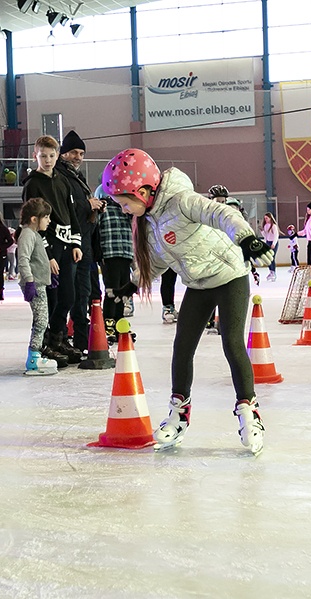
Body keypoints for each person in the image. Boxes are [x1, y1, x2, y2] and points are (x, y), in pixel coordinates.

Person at [103, 148, 274, 455]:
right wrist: (130, 284)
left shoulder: (181, 201)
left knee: (232, 343)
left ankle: (250, 413)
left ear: (142, 192)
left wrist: (246, 238)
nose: (124, 209)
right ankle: (179, 414)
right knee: (182, 346)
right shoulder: (150, 220)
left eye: (124, 202)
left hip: (230, 275)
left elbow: (221, 213)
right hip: (198, 284)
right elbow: (156, 261)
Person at [21, 135, 83, 364]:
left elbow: (72, 212)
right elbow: (33, 223)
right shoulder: (33, 183)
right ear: (35, 155)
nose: (48, 160)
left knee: (69, 297)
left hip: (67, 246)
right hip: (49, 248)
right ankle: (46, 344)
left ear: (57, 156)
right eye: (43, 155)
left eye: (51, 155)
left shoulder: (62, 180)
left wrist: (76, 242)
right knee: (53, 298)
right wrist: (46, 255)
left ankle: (59, 338)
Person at [56, 130, 104, 355]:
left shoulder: (77, 177)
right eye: (73, 152)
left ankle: (82, 342)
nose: (78, 157)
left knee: (83, 294)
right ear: (63, 153)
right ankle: (62, 339)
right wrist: (88, 205)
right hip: (68, 246)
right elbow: (63, 209)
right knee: (68, 295)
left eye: (82, 153)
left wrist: (94, 206)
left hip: (84, 244)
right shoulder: (59, 176)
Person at [18, 198, 58, 375]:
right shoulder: (27, 234)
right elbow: (23, 259)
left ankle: (35, 353)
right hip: (34, 284)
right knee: (41, 321)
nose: (49, 221)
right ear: (34, 219)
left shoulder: (36, 235)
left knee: (42, 319)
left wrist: (48, 277)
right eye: (46, 217)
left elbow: (39, 260)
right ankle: (34, 356)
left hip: (40, 283)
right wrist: (30, 280)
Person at [96, 184, 135, 339]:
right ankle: (109, 323)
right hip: (110, 255)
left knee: (123, 290)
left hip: (125, 254)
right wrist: (99, 255)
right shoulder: (102, 212)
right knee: (111, 290)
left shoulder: (126, 211)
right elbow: (96, 233)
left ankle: (119, 323)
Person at [261, 212, 279, 281]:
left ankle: (274, 272)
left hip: (273, 242)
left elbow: (276, 236)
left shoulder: (274, 226)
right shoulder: (265, 226)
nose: (265, 219)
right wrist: (262, 232)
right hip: (268, 242)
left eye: (267, 218)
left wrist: (274, 243)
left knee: (272, 257)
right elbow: (266, 236)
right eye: (265, 218)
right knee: (268, 258)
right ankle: (271, 271)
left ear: (270, 218)